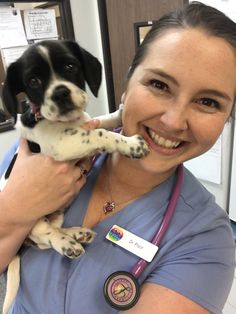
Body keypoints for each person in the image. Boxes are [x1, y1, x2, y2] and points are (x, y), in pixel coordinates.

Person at [0, 2, 235, 313]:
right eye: (159, 84)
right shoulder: (27, 159)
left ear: (228, 116)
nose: (174, 121)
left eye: (208, 101)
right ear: (126, 86)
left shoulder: (206, 244)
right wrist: (14, 209)